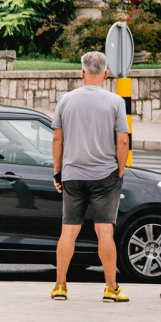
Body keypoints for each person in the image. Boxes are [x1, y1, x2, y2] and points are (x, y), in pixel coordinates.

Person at [50, 51, 130, 303]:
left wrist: (58, 171)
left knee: (68, 231)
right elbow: (122, 139)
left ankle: (60, 286)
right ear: (106, 74)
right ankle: (111, 288)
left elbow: (57, 138)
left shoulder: (66, 100)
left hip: (73, 174)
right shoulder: (116, 101)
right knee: (104, 231)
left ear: (82, 72)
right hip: (105, 175)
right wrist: (120, 169)